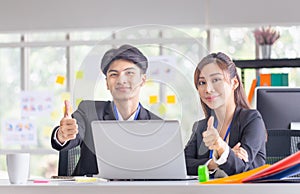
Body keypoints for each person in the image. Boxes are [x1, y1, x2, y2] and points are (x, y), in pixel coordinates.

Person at [51, 44, 161, 176]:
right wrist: (62, 135)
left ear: (142, 80)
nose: (121, 80)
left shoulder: (157, 125)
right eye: (114, 74)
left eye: (129, 73)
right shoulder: (89, 111)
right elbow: (74, 133)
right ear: (107, 83)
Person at [184, 52, 266, 177]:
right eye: (202, 82)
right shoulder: (201, 126)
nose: (208, 89)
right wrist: (215, 162)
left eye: (216, 80)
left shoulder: (252, 120)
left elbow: (240, 167)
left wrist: (220, 146)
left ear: (234, 83)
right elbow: (183, 164)